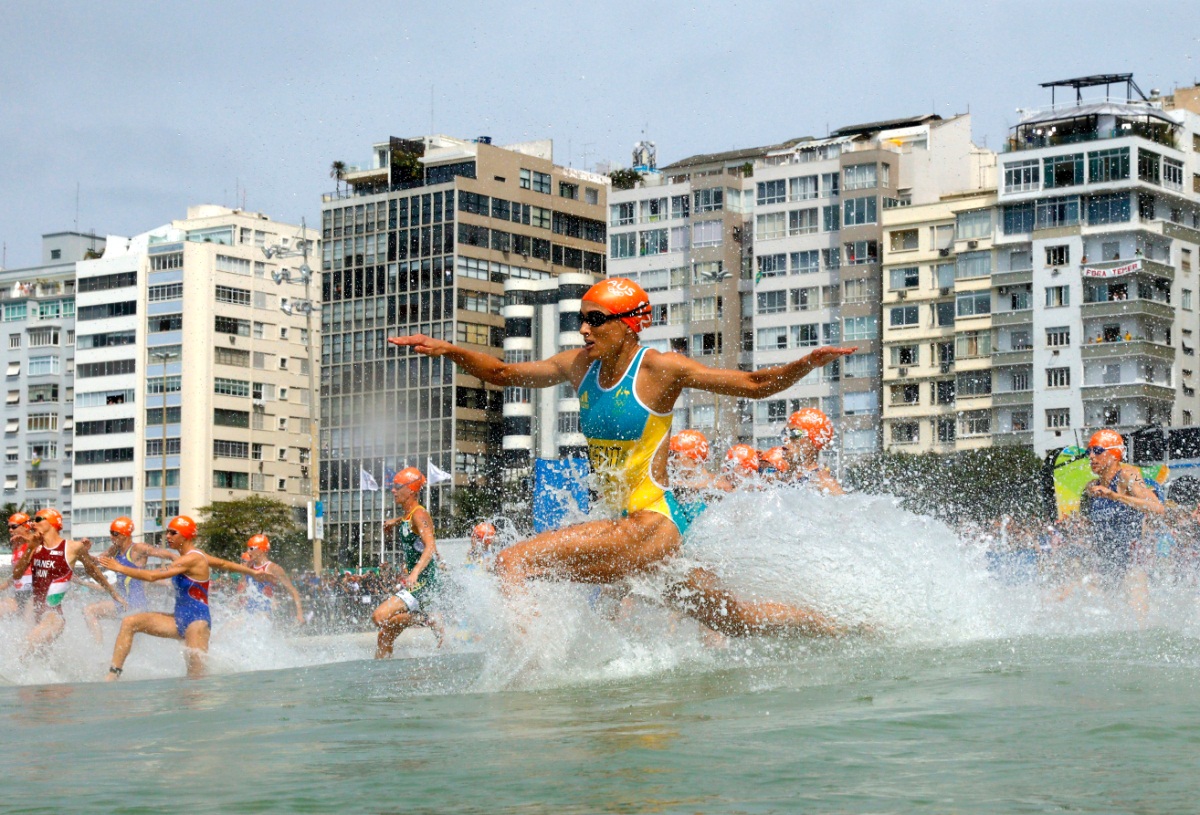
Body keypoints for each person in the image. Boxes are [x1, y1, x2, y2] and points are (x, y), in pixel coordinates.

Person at [389, 277, 855, 637]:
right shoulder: (579, 366)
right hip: (625, 527)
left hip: (652, 523)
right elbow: (505, 373)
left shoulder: (659, 369)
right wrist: (449, 350)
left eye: (596, 319)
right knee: (736, 619)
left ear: (630, 324)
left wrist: (804, 364)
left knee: (514, 563)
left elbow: (752, 385)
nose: (585, 328)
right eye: (581, 319)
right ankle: (845, 630)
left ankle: (531, 678)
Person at [98, 515, 274, 680]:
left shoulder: (191, 559)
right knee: (130, 622)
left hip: (196, 622)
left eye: (173, 533)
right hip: (178, 619)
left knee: (195, 680)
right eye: (167, 532)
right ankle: (113, 675)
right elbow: (222, 563)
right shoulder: (196, 556)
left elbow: (152, 576)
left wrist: (119, 568)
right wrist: (252, 572)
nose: (168, 536)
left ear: (186, 536)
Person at [5, 508, 125, 656]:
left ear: (51, 523)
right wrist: (30, 547)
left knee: (26, 646)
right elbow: (17, 574)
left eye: (37, 520)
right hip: (36, 612)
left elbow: (93, 571)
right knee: (40, 657)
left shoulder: (73, 547)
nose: (33, 524)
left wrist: (114, 594)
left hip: (53, 616)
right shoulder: (35, 547)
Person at [1080, 429, 1164, 612]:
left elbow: (1157, 507)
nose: (1091, 457)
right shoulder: (1092, 487)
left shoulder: (1129, 476)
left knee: (1135, 615)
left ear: (1114, 454)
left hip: (1133, 560)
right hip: (1107, 562)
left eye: (1098, 451)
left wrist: (1116, 496)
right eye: (1089, 452)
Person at [372, 468, 445, 658]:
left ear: (411, 490)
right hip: (417, 582)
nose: (393, 491)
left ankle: (426, 618)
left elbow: (430, 546)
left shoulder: (419, 515)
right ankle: (382, 674)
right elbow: (408, 520)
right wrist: (393, 522)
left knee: (379, 617)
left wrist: (414, 573)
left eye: (397, 487)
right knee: (384, 635)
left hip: (423, 582)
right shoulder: (409, 515)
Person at [82, 516, 179, 642]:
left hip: (135, 603)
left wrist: (181, 564)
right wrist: (84, 551)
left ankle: (100, 648)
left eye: (115, 534)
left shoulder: (138, 548)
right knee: (89, 611)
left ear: (125, 535)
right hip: (122, 602)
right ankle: (98, 648)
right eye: (111, 533)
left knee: (133, 643)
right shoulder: (114, 550)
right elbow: (95, 561)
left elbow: (167, 554)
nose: (112, 537)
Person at [238, 534, 305, 625]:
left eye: (251, 548)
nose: (248, 552)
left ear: (261, 550)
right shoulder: (249, 566)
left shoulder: (273, 568)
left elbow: (293, 591)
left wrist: (300, 614)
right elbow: (242, 588)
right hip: (249, 609)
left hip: (263, 611)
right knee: (225, 629)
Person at [780, 408, 844, 495]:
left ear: (814, 441)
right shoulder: (785, 478)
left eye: (795, 433)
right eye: (785, 432)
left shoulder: (822, 482)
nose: (786, 438)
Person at [0, 513, 35, 620]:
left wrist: (26, 538)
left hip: (33, 593)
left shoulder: (34, 541)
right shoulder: (15, 545)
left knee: (28, 622)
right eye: (9, 527)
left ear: (26, 526)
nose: (10, 530)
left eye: (14, 526)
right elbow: (16, 575)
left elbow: (45, 545)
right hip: (19, 593)